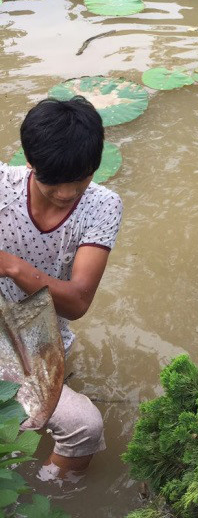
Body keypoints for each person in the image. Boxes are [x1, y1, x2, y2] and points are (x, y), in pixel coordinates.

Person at [0, 97, 122, 479]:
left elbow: (77, 301)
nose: (68, 193)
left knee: (85, 428)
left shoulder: (103, 206)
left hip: (38, 340)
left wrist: (13, 267)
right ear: (30, 162)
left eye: (81, 180)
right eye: (54, 181)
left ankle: (42, 490)